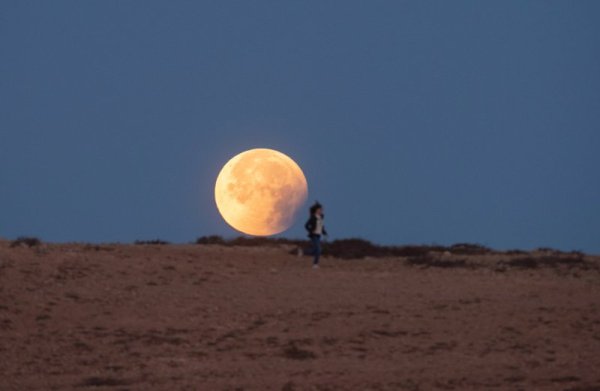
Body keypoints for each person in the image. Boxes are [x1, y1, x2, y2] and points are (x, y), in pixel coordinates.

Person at [304, 201, 328, 268]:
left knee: (315, 250)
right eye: (320, 209)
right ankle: (315, 264)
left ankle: (302, 252)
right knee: (318, 250)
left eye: (321, 209)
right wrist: (311, 231)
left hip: (319, 235)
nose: (321, 210)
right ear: (316, 210)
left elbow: (321, 226)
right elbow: (306, 225)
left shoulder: (321, 217)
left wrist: (325, 233)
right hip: (314, 236)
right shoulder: (313, 217)